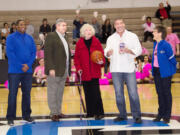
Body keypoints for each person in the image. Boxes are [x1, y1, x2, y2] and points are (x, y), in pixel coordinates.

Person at [104, 19, 142, 123]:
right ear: (114, 26)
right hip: (116, 69)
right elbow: (106, 51)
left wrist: (129, 50)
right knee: (118, 94)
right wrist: (108, 53)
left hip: (129, 69)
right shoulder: (111, 38)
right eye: (117, 24)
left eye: (121, 23)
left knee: (133, 93)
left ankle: (137, 116)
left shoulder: (132, 36)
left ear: (124, 24)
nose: (119, 25)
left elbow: (139, 50)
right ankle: (122, 114)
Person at [6, 19, 36, 126]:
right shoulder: (10, 38)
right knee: (13, 94)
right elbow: (10, 53)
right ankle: (10, 117)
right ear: (16, 27)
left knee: (27, 94)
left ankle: (27, 115)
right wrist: (20, 66)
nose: (23, 26)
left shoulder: (30, 38)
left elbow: (33, 52)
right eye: (21, 25)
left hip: (27, 71)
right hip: (14, 71)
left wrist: (28, 64)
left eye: (24, 24)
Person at [74, 24, 105, 120]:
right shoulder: (79, 43)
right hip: (84, 72)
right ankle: (90, 112)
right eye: (86, 30)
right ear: (83, 32)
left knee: (96, 92)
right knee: (87, 92)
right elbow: (76, 58)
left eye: (90, 30)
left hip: (94, 71)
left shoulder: (96, 41)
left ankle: (99, 112)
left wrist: (101, 61)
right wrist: (78, 68)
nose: (89, 31)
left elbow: (101, 55)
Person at [44, 18, 71, 122]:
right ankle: (53, 113)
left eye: (65, 25)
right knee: (52, 92)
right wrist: (51, 68)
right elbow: (48, 53)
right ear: (57, 26)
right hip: (54, 70)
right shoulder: (51, 36)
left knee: (59, 92)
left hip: (64, 69)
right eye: (62, 25)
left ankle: (58, 112)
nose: (64, 27)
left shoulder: (65, 37)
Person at [152, 26, 176, 124]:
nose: (153, 33)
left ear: (160, 34)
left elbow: (172, 59)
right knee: (159, 93)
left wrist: (171, 70)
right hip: (157, 72)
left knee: (166, 93)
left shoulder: (166, 45)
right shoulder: (155, 44)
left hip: (165, 73)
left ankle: (167, 115)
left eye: (154, 32)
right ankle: (160, 113)